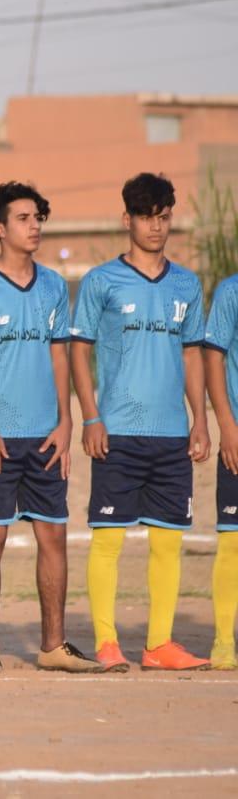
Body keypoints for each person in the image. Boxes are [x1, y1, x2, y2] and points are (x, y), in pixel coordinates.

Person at [0, 182, 99, 674]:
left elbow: (59, 355)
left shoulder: (55, 285)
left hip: (45, 435)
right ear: (0, 228)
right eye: (23, 217)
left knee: (53, 538)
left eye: (38, 216)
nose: (34, 225)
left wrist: (66, 419)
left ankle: (53, 645)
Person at [72, 172, 210, 672]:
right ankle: (107, 643)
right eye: (146, 216)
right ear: (126, 219)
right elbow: (79, 351)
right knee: (108, 539)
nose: (155, 226)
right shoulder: (101, 282)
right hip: (118, 430)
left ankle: (158, 645)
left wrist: (200, 421)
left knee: (167, 540)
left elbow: (193, 354)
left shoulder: (187, 284)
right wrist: (90, 416)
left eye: (163, 216)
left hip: (172, 433)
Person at [204, 269, 238, 671]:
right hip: (237, 436)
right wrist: (227, 427)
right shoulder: (230, 290)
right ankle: (223, 641)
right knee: (232, 540)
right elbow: (213, 358)